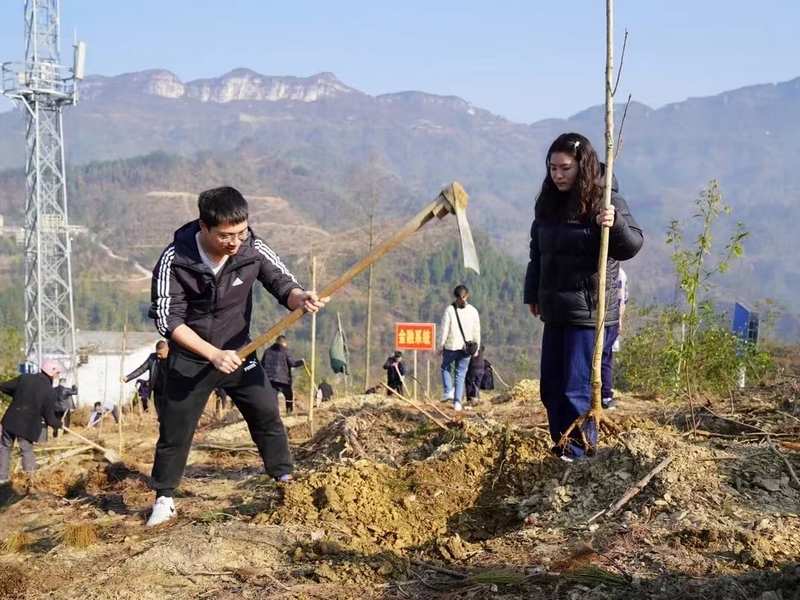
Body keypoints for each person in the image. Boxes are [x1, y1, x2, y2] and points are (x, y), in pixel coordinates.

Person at [146, 186, 327, 527]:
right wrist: (212, 354)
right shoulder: (176, 259)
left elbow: (282, 284)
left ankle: (284, 480)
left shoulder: (253, 249)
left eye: (241, 232)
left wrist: (301, 298)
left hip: (241, 352)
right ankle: (165, 497)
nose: (235, 242)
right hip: (192, 359)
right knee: (175, 430)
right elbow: (168, 320)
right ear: (204, 227)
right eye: (226, 236)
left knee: (266, 413)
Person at [524, 133, 643, 461]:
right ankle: (562, 446)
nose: (557, 175)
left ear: (583, 166)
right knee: (550, 387)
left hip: (590, 311)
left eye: (565, 168)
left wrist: (614, 224)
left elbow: (632, 244)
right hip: (555, 309)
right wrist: (532, 293)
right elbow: (538, 253)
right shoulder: (548, 202)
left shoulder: (605, 200)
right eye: (552, 168)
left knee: (576, 388)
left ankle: (579, 453)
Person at [0, 359, 65, 483]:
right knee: (26, 450)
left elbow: (3, 387)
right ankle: (31, 480)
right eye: (57, 373)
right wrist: (59, 424)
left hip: (10, 420)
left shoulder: (25, 378)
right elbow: (49, 417)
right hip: (26, 426)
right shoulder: (50, 392)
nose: (58, 376)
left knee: (4, 448)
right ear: (51, 373)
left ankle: (2, 478)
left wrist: (19, 396)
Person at [438, 285, 481, 412]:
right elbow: (476, 331)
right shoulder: (473, 311)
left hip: (451, 346)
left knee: (445, 367)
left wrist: (440, 346)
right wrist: (476, 347)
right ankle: (457, 403)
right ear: (467, 295)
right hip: (466, 349)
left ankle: (447, 391)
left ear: (455, 296)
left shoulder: (450, 310)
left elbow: (444, 330)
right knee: (460, 375)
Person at [601, 267, 628, 410]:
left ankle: (604, 396)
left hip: (606, 322)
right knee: (605, 359)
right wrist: (619, 319)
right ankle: (605, 397)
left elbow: (621, 299)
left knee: (602, 358)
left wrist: (618, 319)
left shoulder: (616, 272)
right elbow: (623, 299)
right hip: (611, 322)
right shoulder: (619, 272)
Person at [261, 335, 306, 415]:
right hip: (284, 379)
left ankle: (274, 413)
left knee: (273, 398)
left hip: (270, 379)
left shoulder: (267, 351)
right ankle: (289, 411)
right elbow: (292, 363)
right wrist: (301, 362)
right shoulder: (286, 351)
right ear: (284, 342)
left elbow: (262, 364)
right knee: (288, 396)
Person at [122, 340, 169, 416]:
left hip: (170, 392)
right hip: (158, 392)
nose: (158, 356)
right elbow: (141, 369)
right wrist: (128, 377)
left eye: (160, 354)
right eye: (157, 353)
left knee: (170, 416)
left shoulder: (173, 359)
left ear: (167, 351)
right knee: (160, 416)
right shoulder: (152, 358)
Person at [465, 343, 486, 407]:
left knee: (469, 383)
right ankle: (475, 398)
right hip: (481, 366)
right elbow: (483, 348)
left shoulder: (470, 343)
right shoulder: (480, 342)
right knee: (477, 383)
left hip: (472, 366)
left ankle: (470, 400)